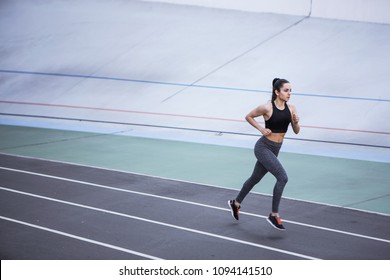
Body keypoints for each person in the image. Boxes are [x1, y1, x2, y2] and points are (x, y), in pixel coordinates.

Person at [228, 78, 300, 230]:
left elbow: (296, 130)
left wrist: (296, 121)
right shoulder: (267, 107)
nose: (289, 93)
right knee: (282, 177)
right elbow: (248, 116)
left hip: (276, 148)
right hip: (263, 147)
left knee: (255, 178)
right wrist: (261, 129)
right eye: (286, 90)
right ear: (277, 92)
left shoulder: (292, 107)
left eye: (290, 90)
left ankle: (236, 203)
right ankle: (274, 215)